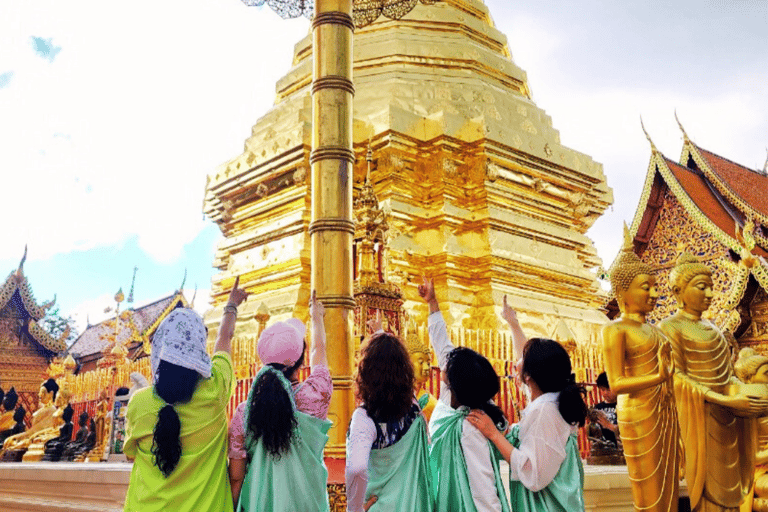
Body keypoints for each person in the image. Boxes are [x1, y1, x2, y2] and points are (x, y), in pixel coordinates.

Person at [123, 277, 247, 512]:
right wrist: (231, 305)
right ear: (199, 349)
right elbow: (224, 339)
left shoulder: (139, 403)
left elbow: (131, 457)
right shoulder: (215, 391)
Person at [660, 253, 766, 512]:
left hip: (728, 417)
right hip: (697, 416)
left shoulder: (715, 330)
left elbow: (727, 374)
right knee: (708, 492)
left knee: (732, 494)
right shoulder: (670, 327)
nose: (709, 293)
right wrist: (722, 398)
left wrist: (744, 394)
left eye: (711, 287)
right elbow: (675, 376)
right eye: (701, 287)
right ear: (678, 291)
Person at [600, 227, 682, 512]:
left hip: (665, 410)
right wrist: (658, 377)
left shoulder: (657, 330)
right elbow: (617, 383)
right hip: (637, 412)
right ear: (622, 291)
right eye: (645, 287)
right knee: (648, 491)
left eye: (655, 286)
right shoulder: (615, 328)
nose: (655, 293)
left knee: (668, 486)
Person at [228, 290, 333, 511]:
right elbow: (319, 351)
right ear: (301, 361)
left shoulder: (245, 412)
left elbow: (236, 478)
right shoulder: (315, 396)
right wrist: (316, 317)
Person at [419, 277, 511, 512]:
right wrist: (432, 302)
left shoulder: (471, 425)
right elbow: (442, 345)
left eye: (448, 366)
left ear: (455, 380)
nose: (444, 363)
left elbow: (483, 485)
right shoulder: (453, 395)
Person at [468, 337, 588, 511]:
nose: (518, 360)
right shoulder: (551, 402)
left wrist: (493, 434)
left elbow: (533, 473)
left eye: (524, 357)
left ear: (530, 374)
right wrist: (512, 322)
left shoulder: (545, 410)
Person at [346, 313, 433, 512]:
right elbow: (393, 368)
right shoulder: (414, 409)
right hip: (413, 505)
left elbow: (357, 468)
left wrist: (355, 508)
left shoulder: (365, 417)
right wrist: (380, 334)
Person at [593, 372, 618, 445]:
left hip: (620, 448)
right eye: (603, 390)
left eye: (608, 390)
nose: (605, 393)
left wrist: (608, 425)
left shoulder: (622, 406)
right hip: (602, 448)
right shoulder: (598, 408)